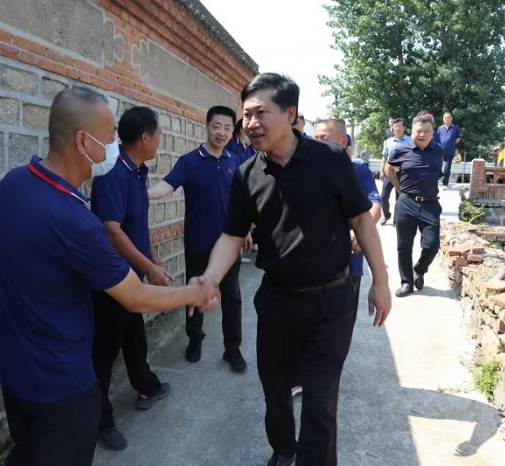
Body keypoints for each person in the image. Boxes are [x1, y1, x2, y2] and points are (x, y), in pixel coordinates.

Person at [0, 86, 219, 466]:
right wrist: (195, 292)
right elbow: (135, 297)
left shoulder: (12, 184)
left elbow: (5, 267)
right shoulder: (74, 220)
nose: (115, 144)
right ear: (84, 142)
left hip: (14, 373)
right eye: (111, 135)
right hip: (61, 387)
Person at [190, 73, 391, 466]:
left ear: (290, 113)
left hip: (331, 302)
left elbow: (362, 220)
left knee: (319, 401)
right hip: (278, 302)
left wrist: (380, 281)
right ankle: (283, 450)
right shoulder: (247, 174)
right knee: (275, 389)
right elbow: (232, 236)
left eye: (260, 113)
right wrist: (209, 279)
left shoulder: (330, 159)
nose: (250, 123)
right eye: (246, 115)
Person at [90, 107, 171, 451]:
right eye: (159, 133)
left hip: (131, 278)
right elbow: (112, 230)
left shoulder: (137, 171)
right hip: (111, 281)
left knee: (134, 336)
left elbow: (138, 223)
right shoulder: (113, 172)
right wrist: (149, 269)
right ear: (145, 137)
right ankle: (100, 422)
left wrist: (152, 259)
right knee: (103, 354)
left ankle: (146, 385)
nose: (160, 139)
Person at [149, 106, 252, 373]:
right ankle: (195, 339)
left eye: (227, 128)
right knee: (194, 294)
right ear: (207, 126)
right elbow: (166, 185)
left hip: (229, 245)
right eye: (217, 126)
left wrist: (246, 231)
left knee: (232, 297)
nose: (222, 133)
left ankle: (233, 348)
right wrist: (141, 193)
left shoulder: (235, 162)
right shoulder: (189, 161)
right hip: (197, 242)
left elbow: (241, 202)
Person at [314, 119, 382, 314]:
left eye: (324, 138)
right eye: (315, 139)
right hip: (311, 265)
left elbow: (374, 206)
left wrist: (360, 233)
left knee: (341, 322)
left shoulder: (358, 172)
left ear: (343, 141)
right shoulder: (304, 172)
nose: (318, 143)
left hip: (348, 263)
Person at [384, 114, 444, 297]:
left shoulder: (438, 150)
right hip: (406, 203)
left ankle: (419, 269)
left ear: (433, 132)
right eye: (419, 131)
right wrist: (399, 188)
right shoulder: (401, 149)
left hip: (430, 204)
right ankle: (406, 282)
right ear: (412, 132)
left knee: (432, 245)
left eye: (426, 131)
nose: (422, 134)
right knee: (404, 246)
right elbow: (389, 169)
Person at [379, 118, 411, 226]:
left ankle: (397, 218)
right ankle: (386, 214)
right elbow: (384, 157)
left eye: (399, 126)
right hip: (389, 173)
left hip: (402, 173)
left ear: (404, 128)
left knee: (400, 197)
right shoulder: (387, 142)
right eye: (395, 126)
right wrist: (382, 170)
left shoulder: (410, 141)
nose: (397, 128)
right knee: (384, 196)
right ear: (392, 128)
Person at [436, 112, 462, 189]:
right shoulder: (440, 128)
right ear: (443, 119)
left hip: (450, 151)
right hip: (440, 151)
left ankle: (445, 183)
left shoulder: (455, 128)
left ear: (451, 118)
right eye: (445, 118)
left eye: (448, 117)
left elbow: (459, 137)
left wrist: (453, 143)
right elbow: (437, 138)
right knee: (437, 166)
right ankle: (439, 176)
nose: (446, 119)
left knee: (447, 168)